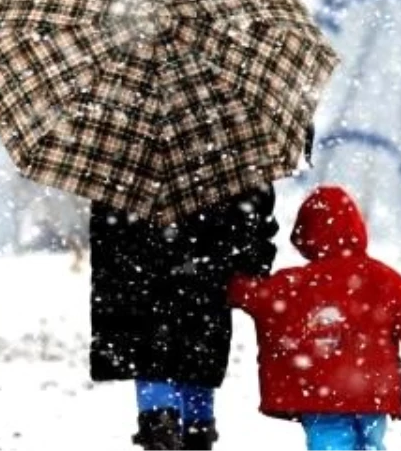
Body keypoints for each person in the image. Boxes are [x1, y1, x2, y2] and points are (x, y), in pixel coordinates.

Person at [229, 185, 401, 451]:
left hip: (318, 396)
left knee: (330, 441)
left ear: (305, 235)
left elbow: (246, 294)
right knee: (371, 443)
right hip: (374, 393)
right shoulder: (384, 279)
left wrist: (226, 273)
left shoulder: (291, 284)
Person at [88, 184, 280, 451]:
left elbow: (108, 231)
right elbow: (254, 210)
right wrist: (251, 260)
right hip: (203, 273)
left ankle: (160, 428)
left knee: (152, 358)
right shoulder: (224, 156)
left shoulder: (125, 158)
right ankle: (196, 432)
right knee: (196, 358)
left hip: (141, 277)